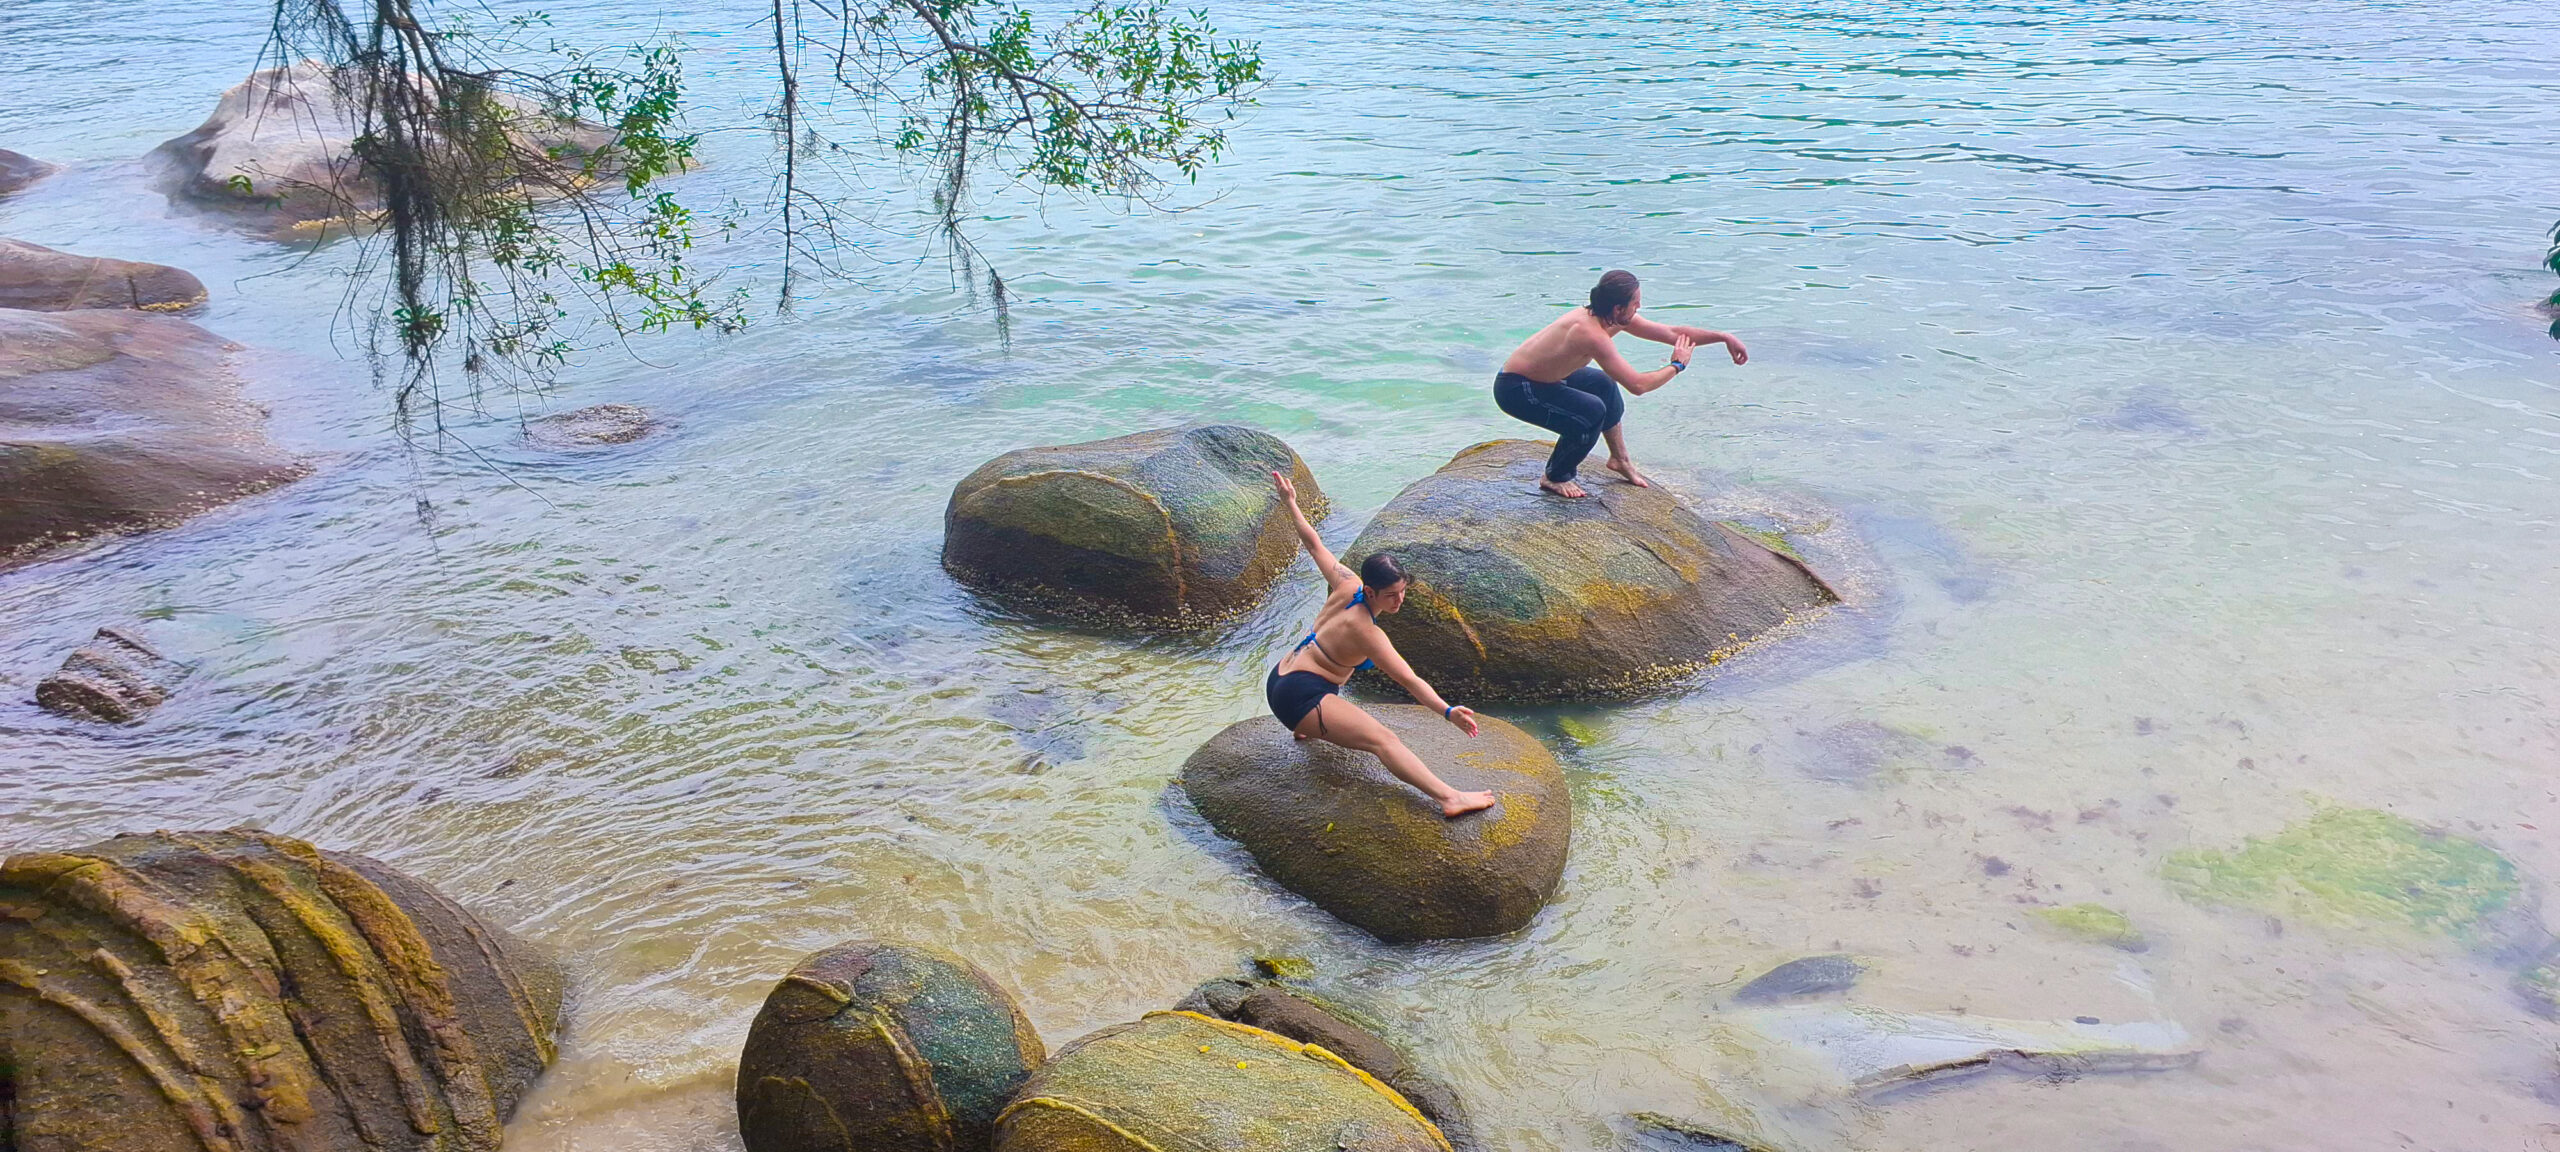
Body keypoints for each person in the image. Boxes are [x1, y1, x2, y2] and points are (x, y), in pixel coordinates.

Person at [1263, 471, 1497, 818]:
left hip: (1281, 677)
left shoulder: (1347, 583)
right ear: (1370, 592)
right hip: (1300, 697)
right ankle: (1449, 798)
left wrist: (1291, 502)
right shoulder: (1366, 632)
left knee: (1338, 700)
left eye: (1403, 591)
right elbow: (1409, 680)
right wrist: (1448, 712)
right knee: (1383, 741)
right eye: (1390, 596)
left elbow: (1313, 544)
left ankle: (1305, 727)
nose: (1399, 601)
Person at [1493, 269, 1749, 498]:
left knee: (1603, 384)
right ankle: (1555, 476)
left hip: (1548, 379)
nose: (1639, 307)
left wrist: (1723, 337)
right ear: (1618, 308)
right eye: (1635, 303)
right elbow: (1637, 385)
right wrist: (1677, 365)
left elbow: (1673, 334)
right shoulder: (1590, 333)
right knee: (1592, 411)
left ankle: (1619, 459)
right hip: (1517, 389)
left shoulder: (1609, 318)